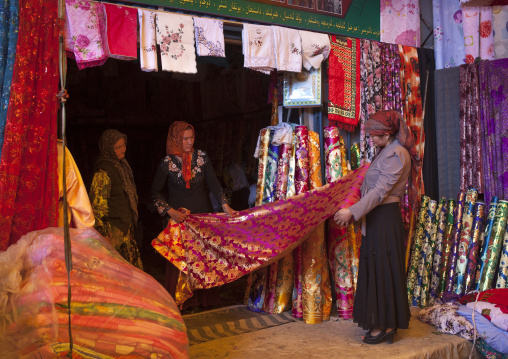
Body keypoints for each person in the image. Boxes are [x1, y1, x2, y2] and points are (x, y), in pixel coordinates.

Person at [334, 110, 420, 344]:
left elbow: (380, 191)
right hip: (376, 218)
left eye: (374, 134)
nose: (371, 138)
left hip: (384, 218)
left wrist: (352, 211)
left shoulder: (396, 154)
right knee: (379, 268)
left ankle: (387, 325)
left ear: (386, 133)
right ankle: (384, 322)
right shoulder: (386, 152)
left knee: (383, 269)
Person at [151, 121, 237, 310]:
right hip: (179, 220)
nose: (189, 142)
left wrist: (226, 207)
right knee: (183, 261)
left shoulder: (202, 158)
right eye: (185, 139)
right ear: (176, 139)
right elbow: (155, 192)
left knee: (203, 260)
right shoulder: (167, 163)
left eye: (191, 138)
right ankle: (185, 300)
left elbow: (214, 185)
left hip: (200, 219)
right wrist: (170, 211)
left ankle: (206, 300)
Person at [89, 129, 143, 270]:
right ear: (109, 148)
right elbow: (97, 205)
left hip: (125, 230)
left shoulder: (122, 166)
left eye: (124, 145)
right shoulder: (103, 171)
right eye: (118, 147)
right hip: (113, 233)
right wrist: (103, 234)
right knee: (115, 272)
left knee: (131, 273)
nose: (123, 149)